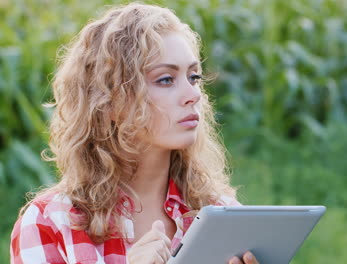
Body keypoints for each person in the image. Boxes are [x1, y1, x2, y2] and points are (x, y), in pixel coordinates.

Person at [10, 3, 258, 264]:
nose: (194, 94)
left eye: (193, 77)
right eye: (165, 79)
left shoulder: (221, 214)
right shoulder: (49, 224)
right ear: (111, 101)